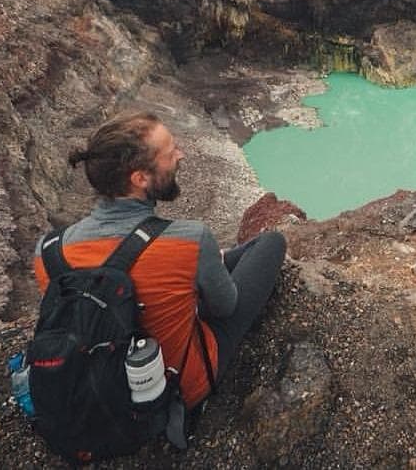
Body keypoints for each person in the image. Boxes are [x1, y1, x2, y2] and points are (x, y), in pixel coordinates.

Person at [33, 111, 286, 410]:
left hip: (91, 391)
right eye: (170, 153)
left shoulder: (48, 252)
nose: (181, 154)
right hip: (176, 391)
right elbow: (225, 307)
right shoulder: (189, 240)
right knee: (271, 243)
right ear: (140, 178)